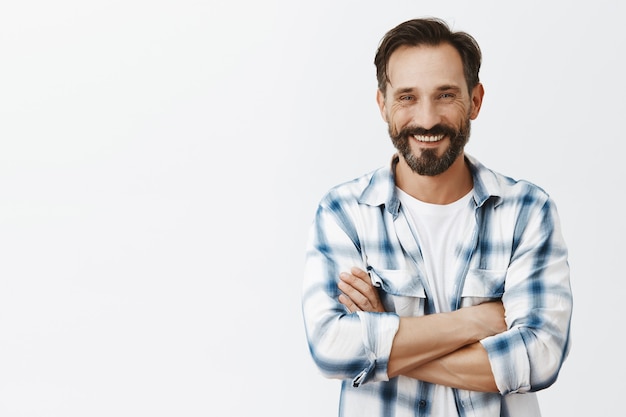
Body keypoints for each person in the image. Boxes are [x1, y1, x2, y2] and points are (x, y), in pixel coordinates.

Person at [301, 17, 572, 417]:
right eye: (407, 97)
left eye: (445, 95)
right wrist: (477, 321)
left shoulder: (527, 210)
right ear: (383, 104)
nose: (426, 118)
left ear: (475, 100)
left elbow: (540, 357)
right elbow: (330, 349)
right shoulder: (344, 213)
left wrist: (383, 341)